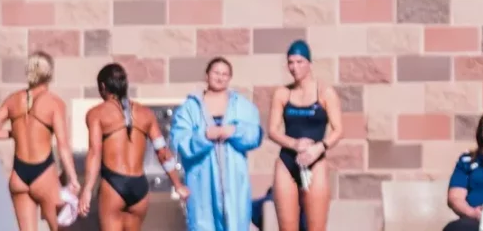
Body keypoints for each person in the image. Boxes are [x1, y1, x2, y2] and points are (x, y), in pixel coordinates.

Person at [79, 62, 190, 230]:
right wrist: (178, 185)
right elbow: (162, 151)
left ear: (102, 86)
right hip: (139, 185)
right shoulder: (146, 114)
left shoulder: (96, 114)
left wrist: (87, 190)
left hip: (113, 184)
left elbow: (95, 152)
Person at [0, 51, 81, 231]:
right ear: (49, 74)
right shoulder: (54, 103)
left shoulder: (13, 100)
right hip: (43, 173)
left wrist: (15, 133)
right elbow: (63, 146)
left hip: (18, 175)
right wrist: (73, 178)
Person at [172, 57, 265, 231]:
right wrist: (204, 136)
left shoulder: (242, 106)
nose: (220, 77)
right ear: (207, 75)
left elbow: (255, 135)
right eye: (216, 72)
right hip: (202, 183)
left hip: (235, 183)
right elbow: (180, 141)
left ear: (230, 78)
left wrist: (234, 131)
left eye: (225, 74)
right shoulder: (190, 108)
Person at [267, 40, 344, 231]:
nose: (294, 67)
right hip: (287, 162)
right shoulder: (282, 93)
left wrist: (319, 147)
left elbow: (338, 130)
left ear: (309, 63)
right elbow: (273, 131)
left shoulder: (325, 93)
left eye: (299, 62)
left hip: (315, 162)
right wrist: (295, 144)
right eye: (290, 62)